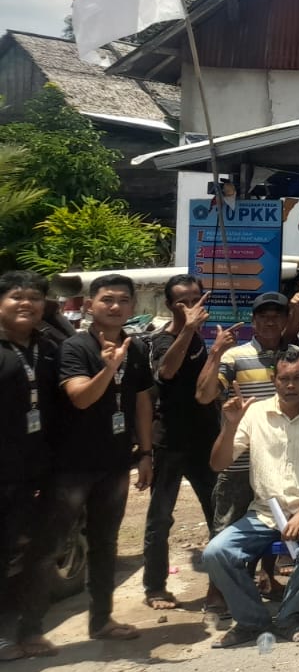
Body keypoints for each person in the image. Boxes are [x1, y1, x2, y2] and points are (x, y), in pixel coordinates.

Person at [201, 346, 299, 646]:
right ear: (273, 379)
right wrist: (229, 425)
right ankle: (251, 620)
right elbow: (217, 463)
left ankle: (289, 616)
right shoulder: (254, 412)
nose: (291, 385)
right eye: (284, 378)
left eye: (298, 378)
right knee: (215, 552)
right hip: (265, 512)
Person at [53, 273, 154, 642]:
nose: (115, 307)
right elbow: (80, 397)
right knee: (50, 546)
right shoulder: (75, 348)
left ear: (133, 306)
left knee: (105, 543)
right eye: (107, 299)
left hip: (115, 462)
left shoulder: (136, 347)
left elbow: (143, 401)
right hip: (73, 465)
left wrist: (145, 452)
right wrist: (109, 367)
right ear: (90, 304)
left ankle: (102, 621)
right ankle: (28, 631)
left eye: (123, 300)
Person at [141, 275, 221, 612]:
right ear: (170, 305)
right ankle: (155, 587)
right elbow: (166, 372)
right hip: (170, 443)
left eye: (196, 298)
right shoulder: (162, 340)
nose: (192, 305)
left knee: (218, 514)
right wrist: (187, 329)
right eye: (183, 301)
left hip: (205, 441)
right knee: (160, 518)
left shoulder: (205, 339)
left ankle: (223, 582)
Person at [196, 291, 299, 530]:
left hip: (281, 462)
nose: (270, 322)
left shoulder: (296, 357)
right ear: (253, 321)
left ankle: (267, 570)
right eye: (263, 316)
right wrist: (215, 352)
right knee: (229, 534)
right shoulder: (234, 356)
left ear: (286, 320)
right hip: (240, 461)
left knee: (275, 530)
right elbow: (204, 396)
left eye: (276, 316)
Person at [0, 271, 60, 659]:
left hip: (42, 470)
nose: (27, 303)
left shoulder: (50, 346)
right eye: (16, 297)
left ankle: (31, 629)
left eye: (35, 297)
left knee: (38, 553)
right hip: (2, 472)